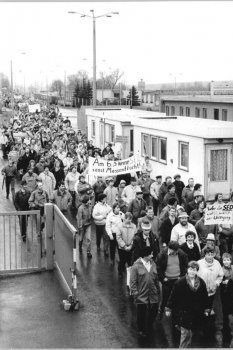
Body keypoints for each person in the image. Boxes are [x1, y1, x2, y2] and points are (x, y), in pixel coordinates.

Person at [166, 261, 209, 348]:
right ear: (187, 270)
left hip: (196, 313)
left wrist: (206, 309)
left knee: (190, 335)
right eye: (190, 269)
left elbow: (205, 297)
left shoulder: (201, 282)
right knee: (185, 335)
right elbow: (173, 296)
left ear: (197, 271)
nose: (192, 271)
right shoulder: (180, 283)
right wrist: (168, 308)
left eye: (194, 270)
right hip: (183, 313)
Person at [130, 246, 161, 337]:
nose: (152, 255)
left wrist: (158, 289)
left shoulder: (153, 263)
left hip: (153, 292)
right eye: (150, 254)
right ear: (145, 255)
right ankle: (141, 329)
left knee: (154, 310)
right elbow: (132, 282)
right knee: (141, 313)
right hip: (141, 294)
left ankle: (149, 324)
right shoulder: (135, 266)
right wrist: (135, 293)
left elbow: (156, 277)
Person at [156, 240, 188, 320]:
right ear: (169, 249)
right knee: (165, 298)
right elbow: (158, 268)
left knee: (178, 298)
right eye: (174, 251)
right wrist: (163, 279)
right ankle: (160, 312)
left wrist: (182, 276)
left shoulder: (180, 253)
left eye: (177, 251)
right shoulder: (162, 255)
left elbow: (185, 265)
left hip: (178, 280)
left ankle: (177, 315)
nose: (176, 252)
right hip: (167, 281)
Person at [197, 247, 223, 315]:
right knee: (201, 307)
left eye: (212, 254)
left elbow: (220, 276)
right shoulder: (199, 263)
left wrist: (216, 283)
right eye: (208, 254)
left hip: (212, 290)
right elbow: (195, 275)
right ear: (205, 255)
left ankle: (209, 316)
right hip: (201, 291)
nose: (210, 256)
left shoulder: (217, 263)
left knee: (209, 306)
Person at [220, 253, 233, 347]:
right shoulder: (220, 269)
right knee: (226, 315)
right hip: (225, 295)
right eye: (224, 260)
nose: (226, 262)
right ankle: (227, 339)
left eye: (228, 260)